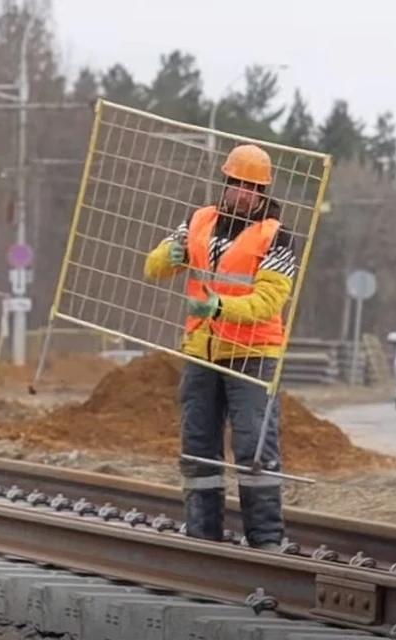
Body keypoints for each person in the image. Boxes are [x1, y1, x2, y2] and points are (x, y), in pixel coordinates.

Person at [143, 143, 297, 551]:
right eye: (236, 184)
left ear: (263, 193)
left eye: (252, 187)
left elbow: (269, 301)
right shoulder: (199, 221)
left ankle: (265, 539)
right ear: (225, 183)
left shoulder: (276, 236)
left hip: (254, 354)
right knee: (198, 446)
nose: (243, 193)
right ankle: (202, 535)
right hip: (202, 351)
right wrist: (167, 254)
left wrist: (220, 306)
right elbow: (154, 266)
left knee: (253, 448)